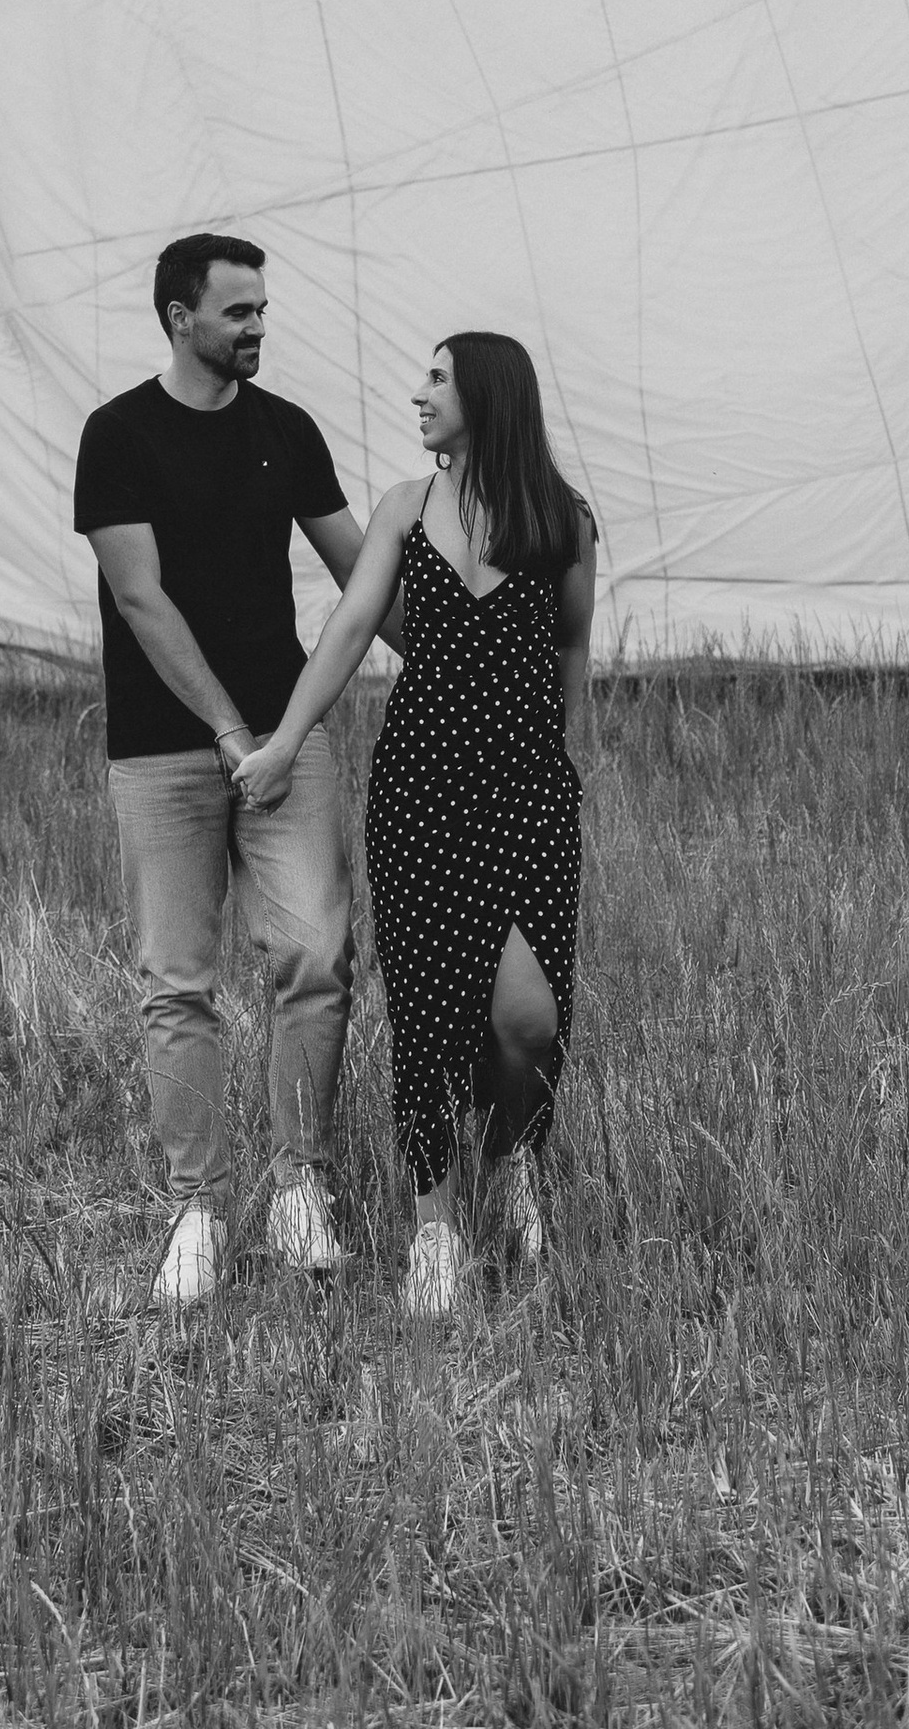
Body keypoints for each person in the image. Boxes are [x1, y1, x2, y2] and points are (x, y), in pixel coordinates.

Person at [236, 329, 596, 1316]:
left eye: (437, 378)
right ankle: (436, 1228)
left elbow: (572, 650)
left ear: (487, 394)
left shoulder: (561, 520)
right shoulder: (405, 508)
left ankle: (512, 1159)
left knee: (529, 1015)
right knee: (431, 1013)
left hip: (525, 794)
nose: (418, 393)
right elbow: (349, 631)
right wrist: (280, 744)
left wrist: (560, 767)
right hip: (422, 791)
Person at [75, 233, 393, 1311]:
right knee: (179, 981)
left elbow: (361, 580)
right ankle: (198, 1210)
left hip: (286, 739)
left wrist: (467, 645)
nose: (258, 326)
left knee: (315, 956)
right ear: (179, 317)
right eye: (237, 312)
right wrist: (225, 732)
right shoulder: (117, 437)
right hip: (168, 751)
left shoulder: (286, 432)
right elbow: (140, 599)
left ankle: (299, 1181)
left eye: (263, 309)